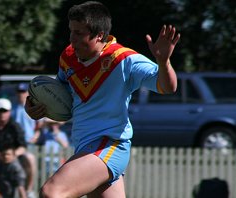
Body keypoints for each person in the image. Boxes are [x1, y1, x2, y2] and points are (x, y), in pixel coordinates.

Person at [25, 1, 180, 197]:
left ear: (99, 35)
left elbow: (168, 87)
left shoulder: (124, 60)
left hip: (109, 145)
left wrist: (164, 61)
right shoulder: (68, 58)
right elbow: (61, 97)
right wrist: (36, 107)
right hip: (85, 148)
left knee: (52, 192)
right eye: (71, 31)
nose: (72, 39)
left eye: (79, 33)